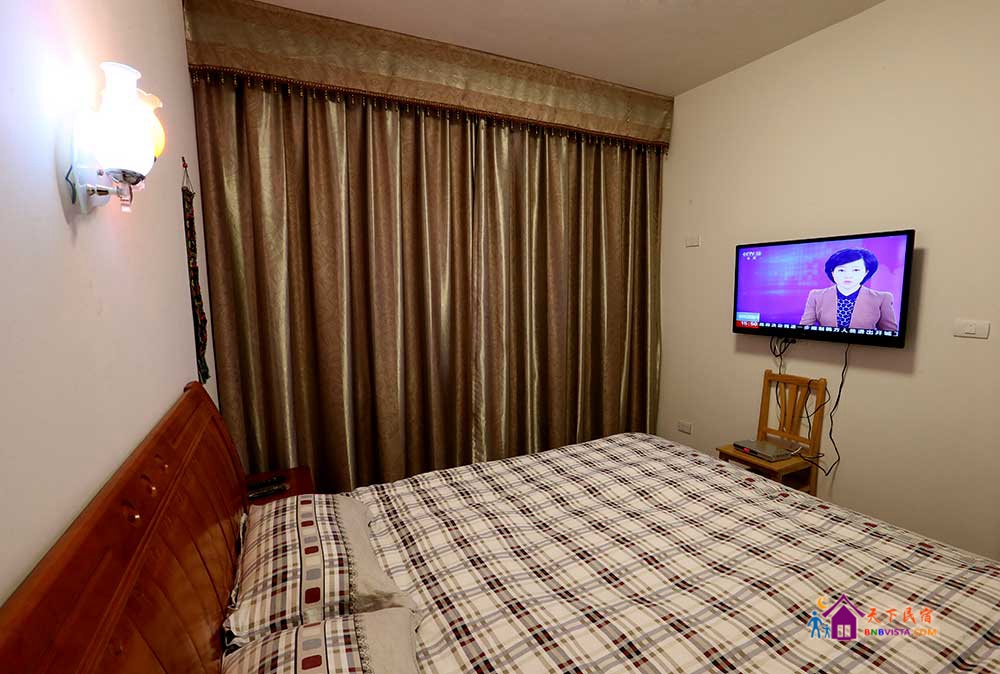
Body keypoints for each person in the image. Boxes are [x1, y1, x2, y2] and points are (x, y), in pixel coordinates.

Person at [800, 248, 898, 331]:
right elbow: (804, 328)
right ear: (833, 272)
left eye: (856, 270)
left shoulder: (882, 298)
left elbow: (890, 333)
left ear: (866, 272)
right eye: (841, 270)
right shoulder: (816, 296)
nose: (848, 275)